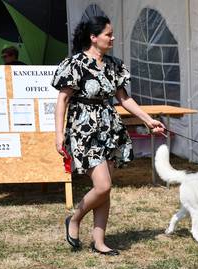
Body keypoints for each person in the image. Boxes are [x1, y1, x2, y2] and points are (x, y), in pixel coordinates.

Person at [51, 16, 165, 256]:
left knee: (105, 188)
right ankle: (74, 218)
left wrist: (148, 120)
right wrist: (58, 133)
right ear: (93, 37)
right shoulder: (75, 64)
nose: (113, 38)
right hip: (84, 130)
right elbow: (62, 99)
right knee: (103, 186)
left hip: (110, 128)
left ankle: (99, 241)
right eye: (108, 34)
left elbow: (124, 99)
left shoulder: (114, 64)